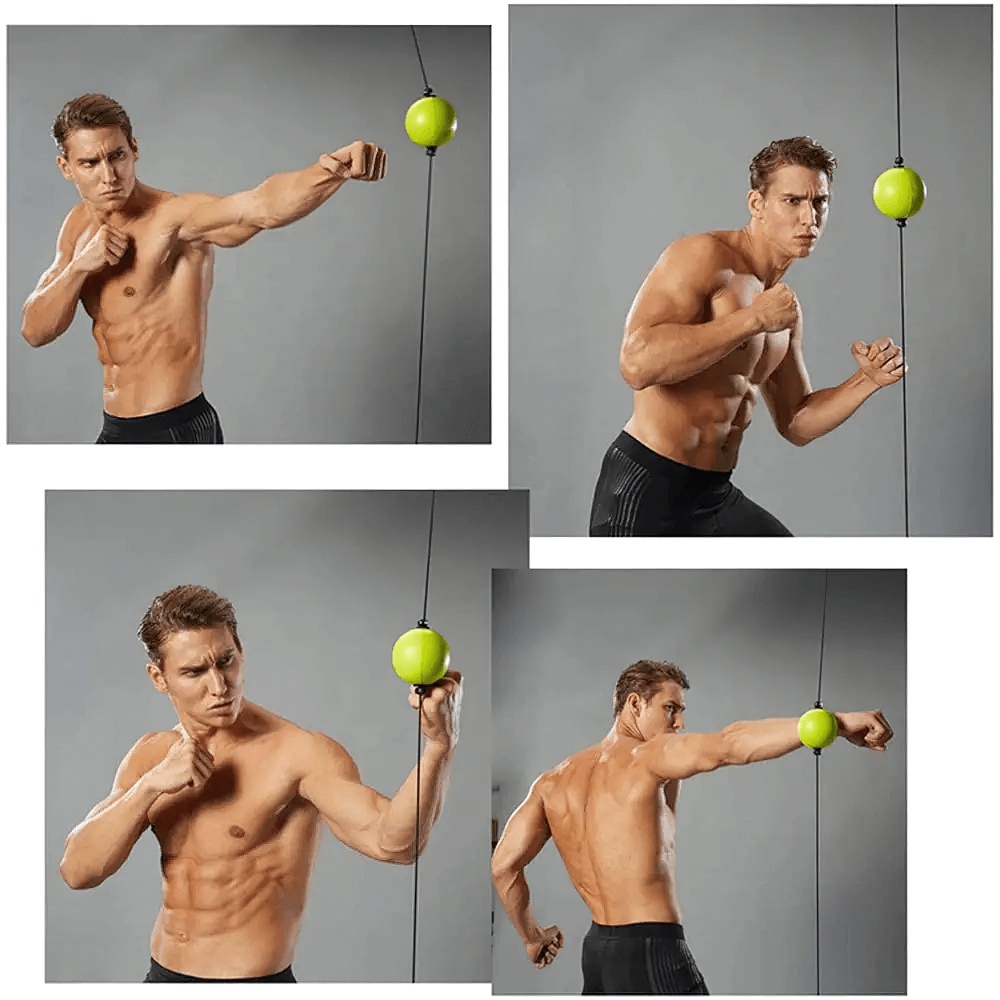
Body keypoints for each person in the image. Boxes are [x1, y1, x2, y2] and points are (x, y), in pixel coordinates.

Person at [59, 585, 462, 982]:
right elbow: (79, 871)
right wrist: (149, 787)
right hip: (163, 978)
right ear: (159, 677)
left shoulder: (299, 753)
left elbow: (395, 844)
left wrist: (438, 746)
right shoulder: (151, 755)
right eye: (194, 672)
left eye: (226, 662)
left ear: (241, 654)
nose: (219, 686)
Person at [491, 659, 892, 995]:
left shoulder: (551, 782)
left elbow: (503, 866)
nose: (680, 722)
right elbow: (729, 744)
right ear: (635, 703)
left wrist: (532, 937)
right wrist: (834, 723)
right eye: (671, 708)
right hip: (653, 952)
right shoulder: (649, 756)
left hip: (597, 955)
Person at [22, 94, 387, 443]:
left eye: (116, 156)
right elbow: (34, 330)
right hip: (117, 428)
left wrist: (331, 170)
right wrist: (80, 267)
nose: (109, 176)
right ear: (66, 168)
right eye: (90, 163)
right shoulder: (77, 226)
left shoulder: (173, 218)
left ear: (134, 149)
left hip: (173, 429)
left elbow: (260, 205)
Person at [589, 137, 905, 536]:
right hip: (647, 486)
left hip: (713, 493)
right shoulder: (703, 257)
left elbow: (796, 422)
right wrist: (751, 320)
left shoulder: (782, 310)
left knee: (798, 582)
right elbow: (636, 364)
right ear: (757, 204)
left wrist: (867, 381)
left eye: (819, 202)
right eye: (793, 201)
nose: (810, 218)